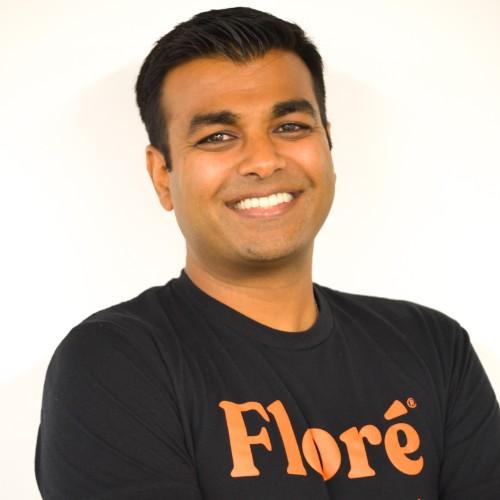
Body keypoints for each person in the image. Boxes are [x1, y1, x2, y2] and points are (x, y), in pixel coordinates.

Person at [35, 7, 500, 499]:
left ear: (328, 144)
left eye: (290, 127)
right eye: (217, 137)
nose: (263, 160)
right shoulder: (116, 363)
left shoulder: (433, 348)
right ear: (162, 176)